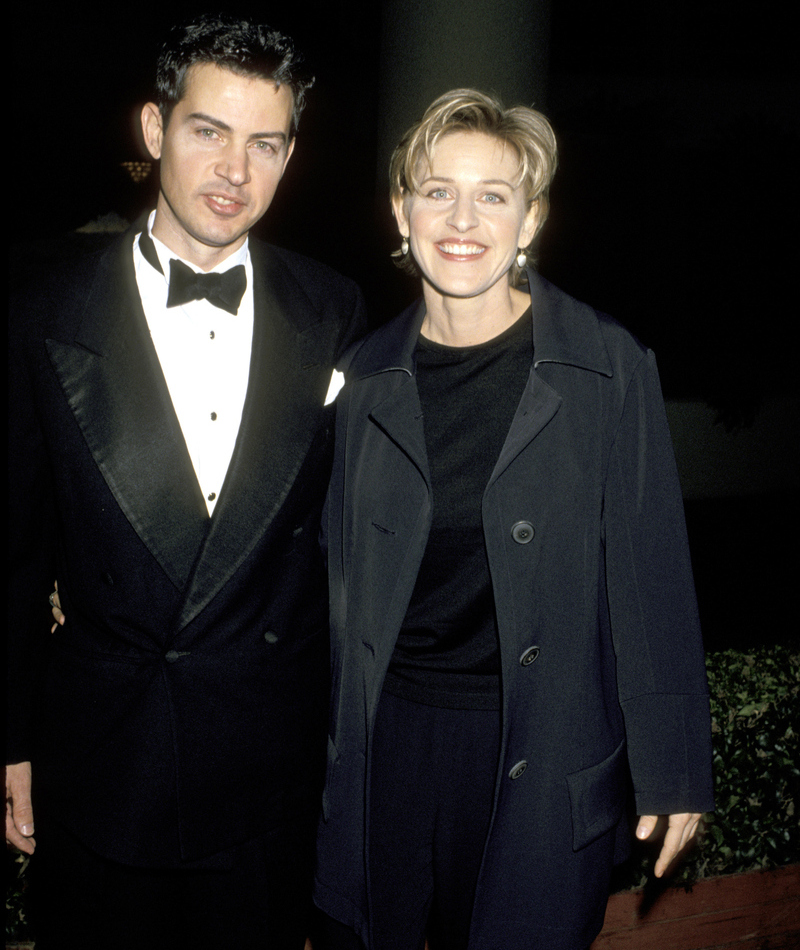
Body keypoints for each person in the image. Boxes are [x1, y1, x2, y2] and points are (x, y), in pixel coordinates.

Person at [312, 89, 714, 950]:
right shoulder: (361, 377)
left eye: (494, 195)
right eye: (437, 190)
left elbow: (652, 576)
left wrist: (675, 765)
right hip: (387, 747)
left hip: (540, 746)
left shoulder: (606, 364)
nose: (463, 218)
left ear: (530, 219)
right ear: (401, 209)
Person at [6, 14, 364, 950]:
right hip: (103, 761)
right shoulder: (44, 308)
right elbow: (13, 549)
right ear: (154, 129)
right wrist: (9, 739)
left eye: (266, 144)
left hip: (265, 768)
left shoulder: (334, 307)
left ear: (291, 156)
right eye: (208, 131)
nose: (234, 173)